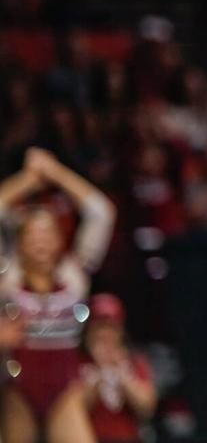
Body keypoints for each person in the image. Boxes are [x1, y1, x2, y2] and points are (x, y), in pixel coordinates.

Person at [0, 147, 116, 443]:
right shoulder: (9, 278)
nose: (40, 243)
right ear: (21, 242)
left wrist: (56, 173)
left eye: (47, 234)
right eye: (32, 236)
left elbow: (101, 212)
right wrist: (27, 180)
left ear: (60, 240)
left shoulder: (74, 277)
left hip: (64, 391)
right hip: (18, 390)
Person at [79, 294, 158, 443]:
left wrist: (122, 373)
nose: (105, 334)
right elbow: (76, 407)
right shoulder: (79, 362)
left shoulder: (134, 362)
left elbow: (147, 408)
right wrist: (99, 371)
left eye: (111, 327)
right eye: (100, 327)